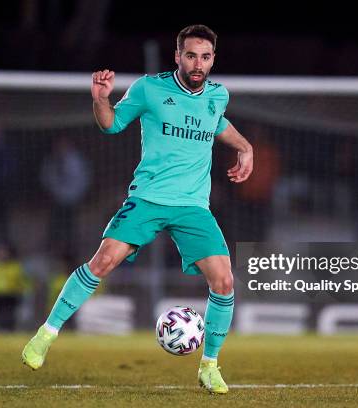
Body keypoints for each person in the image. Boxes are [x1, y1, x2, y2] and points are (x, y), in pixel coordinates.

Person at [21, 24, 253, 394]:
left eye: (205, 57)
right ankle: (45, 335)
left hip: (193, 206)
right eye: (190, 55)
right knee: (103, 262)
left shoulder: (217, 95)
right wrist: (100, 99)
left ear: (213, 60)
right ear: (177, 56)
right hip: (147, 197)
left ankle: (209, 365)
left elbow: (217, 123)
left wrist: (245, 147)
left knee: (224, 281)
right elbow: (111, 125)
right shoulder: (149, 89)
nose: (197, 63)